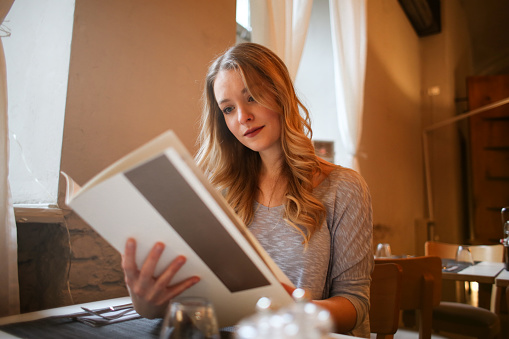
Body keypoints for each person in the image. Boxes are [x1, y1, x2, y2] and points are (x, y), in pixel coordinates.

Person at [122, 42, 373, 338]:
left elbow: (354, 303)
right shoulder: (215, 190)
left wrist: (295, 310)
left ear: (281, 95)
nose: (242, 117)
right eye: (228, 109)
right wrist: (147, 305)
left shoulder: (343, 187)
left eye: (251, 97)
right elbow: (192, 301)